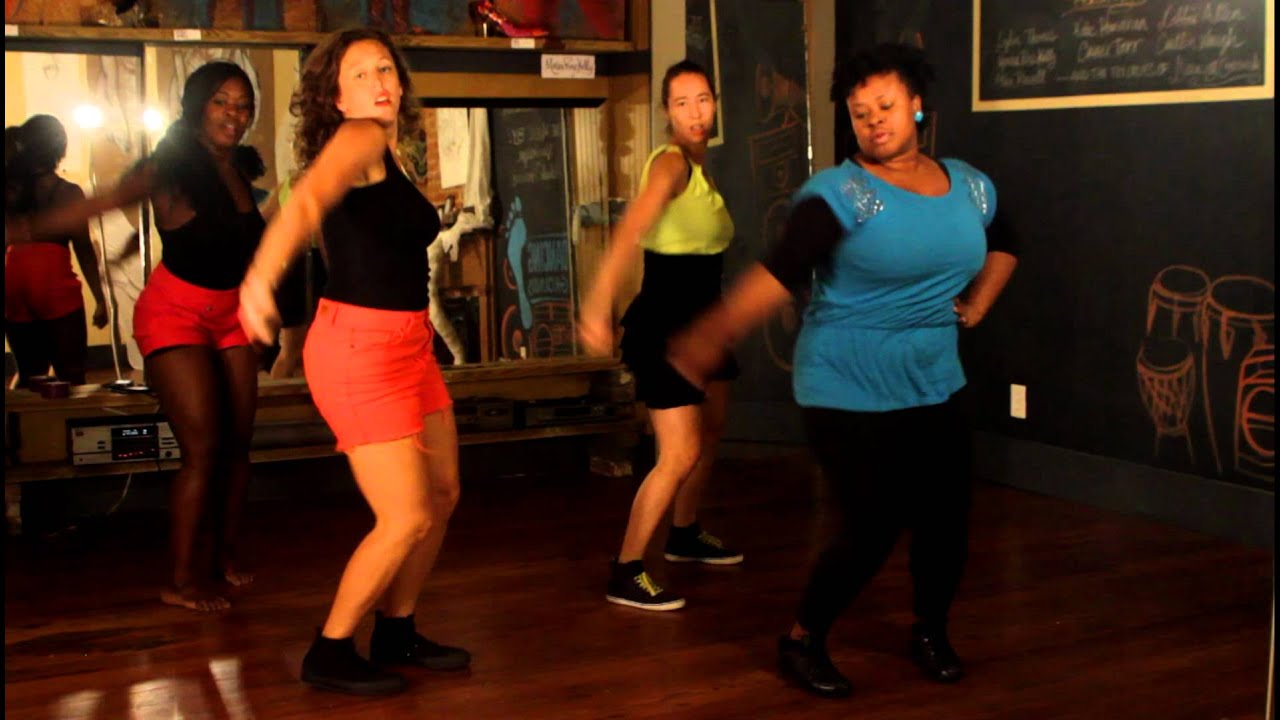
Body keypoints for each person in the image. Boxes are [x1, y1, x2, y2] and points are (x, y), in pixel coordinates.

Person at [667, 44, 1019, 697]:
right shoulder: (840, 193)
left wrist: (977, 305)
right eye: (860, 113)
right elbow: (781, 271)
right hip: (846, 380)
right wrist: (710, 335)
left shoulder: (969, 186)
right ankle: (802, 639)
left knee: (946, 519)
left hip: (934, 377)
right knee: (873, 522)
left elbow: (1005, 240)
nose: (874, 121)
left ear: (917, 105)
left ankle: (931, 629)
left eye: (885, 106)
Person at [238, 28, 468, 696]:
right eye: (360, 74)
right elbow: (306, 198)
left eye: (386, 69)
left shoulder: (389, 149)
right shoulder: (360, 137)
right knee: (407, 515)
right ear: (336, 98)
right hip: (360, 350)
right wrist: (259, 281)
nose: (379, 83)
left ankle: (397, 628)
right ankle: (331, 649)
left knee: (444, 493)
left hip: (409, 344)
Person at [10, 62, 267, 612]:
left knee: (239, 444)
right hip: (175, 313)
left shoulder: (238, 170)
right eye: (221, 101)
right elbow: (98, 203)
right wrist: (23, 230)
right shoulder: (168, 166)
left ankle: (223, 554)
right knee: (202, 449)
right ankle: (182, 580)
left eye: (243, 104)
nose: (234, 114)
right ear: (197, 105)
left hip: (231, 313)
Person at [579, 59, 743, 613]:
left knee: (711, 429)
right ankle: (626, 569)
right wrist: (597, 304)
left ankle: (685, 533)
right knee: (680, 452)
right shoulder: (671, 164)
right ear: (666, 113)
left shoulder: (701, 169)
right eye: (681, 103)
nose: (695, 112)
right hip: (667, 325)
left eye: (703, 99)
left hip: (707, 318)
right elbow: (630, 229)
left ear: (715, 103)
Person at [5, 115, 108, 387]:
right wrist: (100, 298)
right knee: (70, 374)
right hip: (52, 279)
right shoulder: (67, 193)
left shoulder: (11, 190)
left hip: (13, 276)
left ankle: (20, 417)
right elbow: (83, 248)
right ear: (59, 148)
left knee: (29, 373)